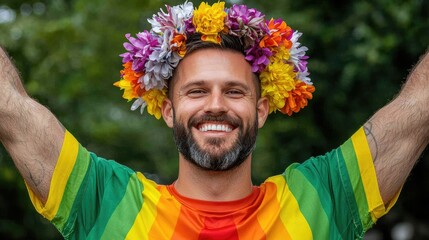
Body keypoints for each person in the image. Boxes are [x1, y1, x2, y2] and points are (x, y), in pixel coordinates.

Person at [0, 1, 427, 239]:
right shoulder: (104, 201)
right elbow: (10, 106)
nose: (216, 105)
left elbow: (418, 108)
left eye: (235, 91)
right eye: (197, 91)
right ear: (168, 110)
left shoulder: (325, 197)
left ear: (261, 109)